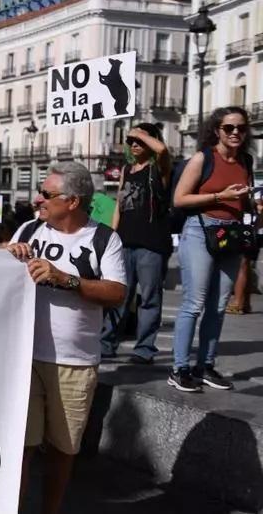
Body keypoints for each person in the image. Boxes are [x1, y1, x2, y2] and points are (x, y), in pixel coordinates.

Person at [6, 162, 126, 514]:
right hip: (25, 358)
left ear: (72, 201)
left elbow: (117, 293)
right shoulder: (29, 230)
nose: (39, 199)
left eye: (47, 194)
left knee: (63, 449)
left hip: (74, 363)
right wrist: (5, 253)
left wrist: (66, 279)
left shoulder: (105, 238)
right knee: (21, 447)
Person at [169, 106, 253, 393]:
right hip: (200, 230)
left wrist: (251, 205)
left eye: (241, 128)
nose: (235, 133)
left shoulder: (246, 161)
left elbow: (244, 201)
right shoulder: (203, 158)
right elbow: (180, 199)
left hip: (231, 235)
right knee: (194, 303)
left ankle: (205, 365)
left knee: (218, 307)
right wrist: (221, 195)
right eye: (229, 128)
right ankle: (179, 368)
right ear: (217, 130)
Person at [102, 123, 172, 363]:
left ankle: (144, 349)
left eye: (140, 139)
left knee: (150, 299)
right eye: (130, 139)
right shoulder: (126, 169)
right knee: (118, 295)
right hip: (124, 241)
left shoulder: (160, 168)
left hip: (151, 244)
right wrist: (111, 237)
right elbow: (119, 207)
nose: (133, 143)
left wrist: (139, 132)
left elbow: (162, 151)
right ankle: (106, 343)